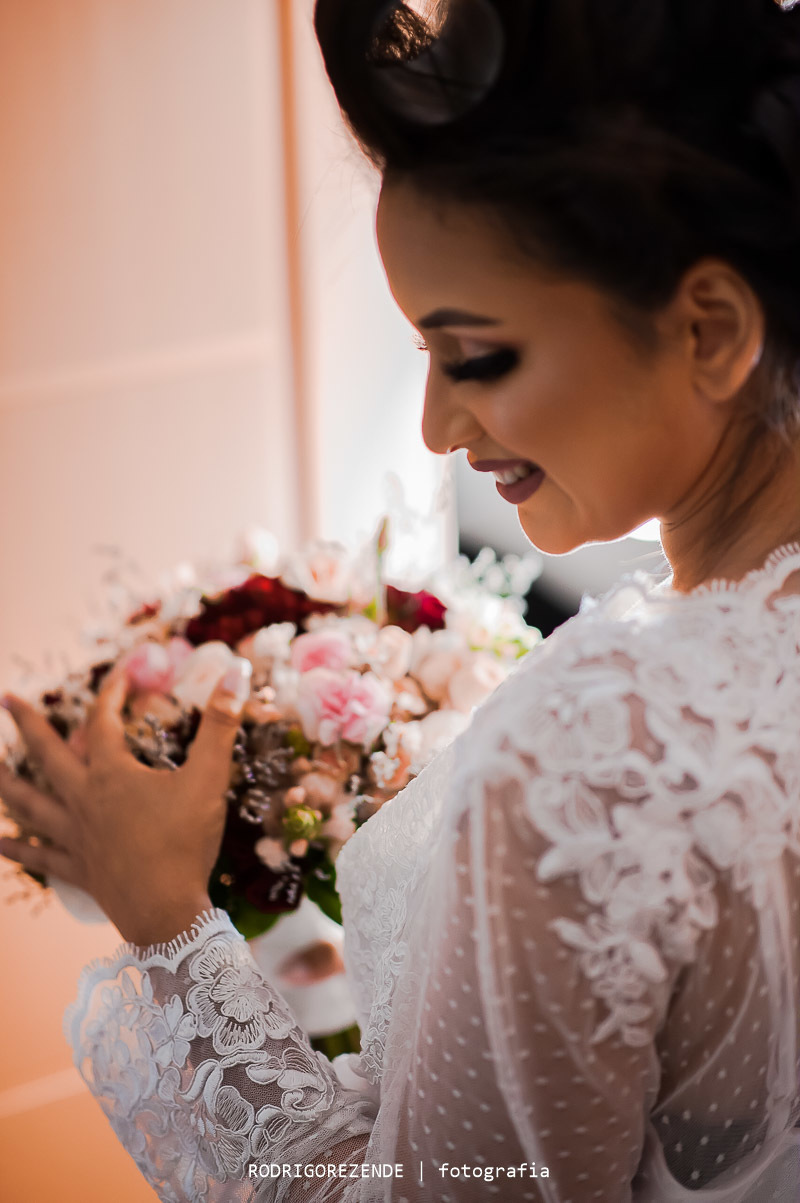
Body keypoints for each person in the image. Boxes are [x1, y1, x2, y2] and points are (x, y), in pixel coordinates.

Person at [2, 0, 800, 1197]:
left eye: (474, 356)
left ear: (709, 327)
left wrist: (165, 927)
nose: (434, 427)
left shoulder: (592, 762)